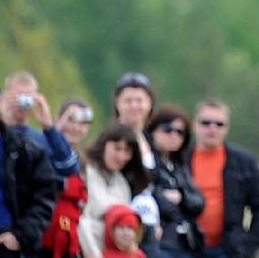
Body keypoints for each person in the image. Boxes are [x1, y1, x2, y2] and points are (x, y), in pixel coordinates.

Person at [0, 76, 59, 258]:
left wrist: (22, 235)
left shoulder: (23, 149)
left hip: (4, 243)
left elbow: (46, 195)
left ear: (0, 102)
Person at [187, 99, 259, 258]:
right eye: (206, 122)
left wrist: (248, 248)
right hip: (187, 248)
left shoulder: (243, 161)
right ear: (194, 125)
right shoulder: (180, 160)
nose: (212, 128)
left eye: (219, 124)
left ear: (227, 128)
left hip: (228, 250)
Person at [79, 124, 151, 258]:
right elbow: (83, 221)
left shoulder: (122, 184)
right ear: (104, 145)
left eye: (127, 151)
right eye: (117, 148)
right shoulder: (84, 172)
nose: (121, 156)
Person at [147, 106, 205, 258]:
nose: (174, 135)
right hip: (160, 244)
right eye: (167, 129)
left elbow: (199, 203)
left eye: (180, 132)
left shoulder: (180, 166)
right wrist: (182, 204)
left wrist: (182, 197)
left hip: (187, 243)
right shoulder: (147, 162)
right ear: (153, 130)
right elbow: (161, 204)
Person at [113, 72, 160, 257]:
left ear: (149, 104)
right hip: (123, 228)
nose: (134, 106)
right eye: (128, 100)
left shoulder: (151, 140)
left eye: (140, 100)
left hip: (149, 226)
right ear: (118, 103)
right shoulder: (114, 139)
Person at [42, 98, 95, 258]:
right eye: (71, 120)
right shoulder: (41, 148)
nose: (77, 128)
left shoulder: (84, 160)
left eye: (83, 123)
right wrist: (53, 131)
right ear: (59, 119)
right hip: (42, 237)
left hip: (69, 239)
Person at [1, 70, 80, 177]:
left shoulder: (41, 139)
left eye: (28, 98)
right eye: (18, 97)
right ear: (5, 97)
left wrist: (49, 128)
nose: (23, 103)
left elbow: (70, 168)